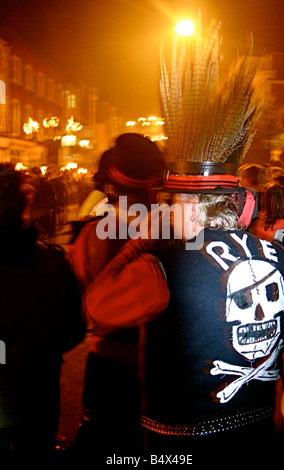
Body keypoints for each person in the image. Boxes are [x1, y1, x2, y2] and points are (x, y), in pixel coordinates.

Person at [79, 13, 284, 458]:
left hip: (180, 448)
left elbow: (96, 308)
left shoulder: (162, 268)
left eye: (173, 203)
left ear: (193, 206)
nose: (167, 210)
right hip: (259, 442)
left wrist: (145, 240)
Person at [68, 133, 166, 452]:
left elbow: (80, 297)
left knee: (106, 443)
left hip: (108, 368)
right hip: (159, 365)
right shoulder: (176, 232)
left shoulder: (93, 233)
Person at [0, 163, 86, 451]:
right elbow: (74, 328)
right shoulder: (52, 261)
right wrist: (38, 351)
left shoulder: (52, 260)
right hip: (39, 385)